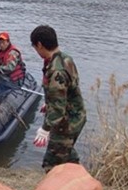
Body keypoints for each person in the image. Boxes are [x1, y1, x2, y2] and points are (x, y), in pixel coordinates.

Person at [30, 24, 86, 173]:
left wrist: (45, 129)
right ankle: (82, 181)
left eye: (35, 47)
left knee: (52, 162)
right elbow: (66, 90)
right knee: (67, 154)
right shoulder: (65, 58)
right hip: (76, 115)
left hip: (67, 121)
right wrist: (49, 102)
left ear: (40, 45)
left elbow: (58, 109)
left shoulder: (56, 71)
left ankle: (60, 186)